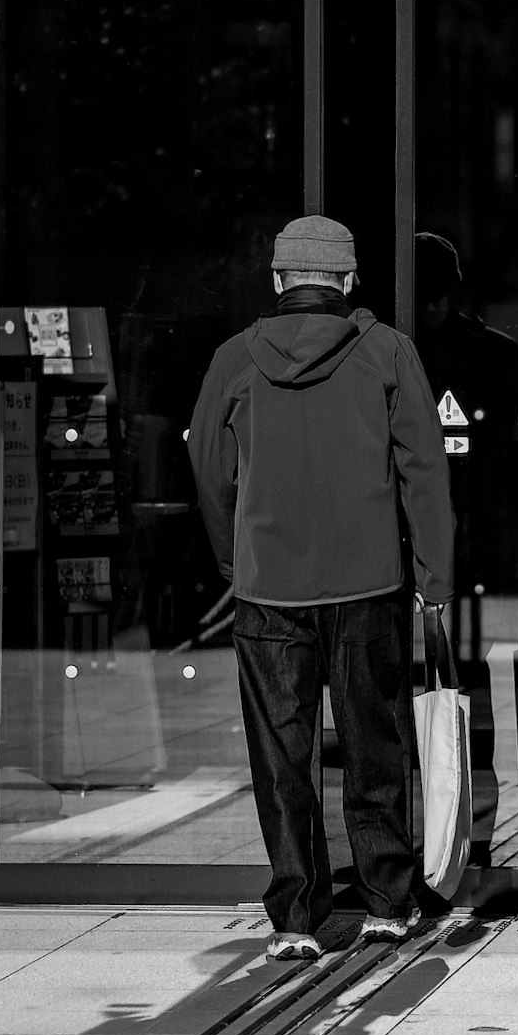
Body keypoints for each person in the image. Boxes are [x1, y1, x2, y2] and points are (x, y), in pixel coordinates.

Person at [189, 216, 454, 958]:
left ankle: (296, 919)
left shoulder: (234, 358)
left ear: (277, 281)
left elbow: (210, 471)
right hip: (368, 583)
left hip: (269, 589)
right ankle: (388, 902)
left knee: (282, 757)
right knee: (375, 744)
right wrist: (435, 578)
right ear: (349, 279)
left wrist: (234, 562)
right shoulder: (387, 352)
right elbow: (425, 473)